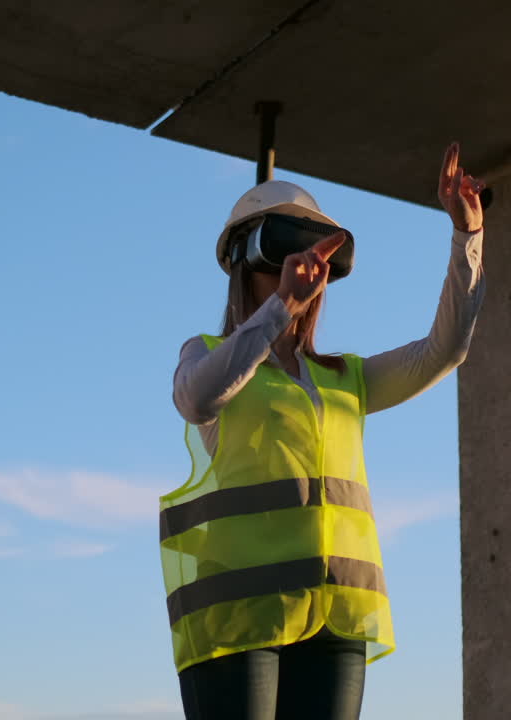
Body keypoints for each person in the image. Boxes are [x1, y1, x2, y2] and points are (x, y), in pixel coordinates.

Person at [160, 143, 486, 720]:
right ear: (247, 258)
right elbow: (198, 397)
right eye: (285, 247)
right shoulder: (208, 355)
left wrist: (467, 240)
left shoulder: (347, 378)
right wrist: (281, 306)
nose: (304, 266)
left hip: (337, 617)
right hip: (242, 618)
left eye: (316, 255)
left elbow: (445, 350)